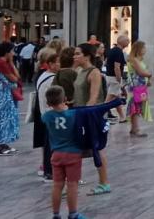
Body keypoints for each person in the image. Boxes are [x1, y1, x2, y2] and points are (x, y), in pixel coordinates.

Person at [72, 43, 112, 195]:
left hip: (90, 116)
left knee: (97, 148)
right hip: (79, 113)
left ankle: (104, 182)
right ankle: (72, 182)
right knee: (78, 149)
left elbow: (94, 97)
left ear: (87, 55)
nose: (74, 56)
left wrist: (85, 115)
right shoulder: (80, 70)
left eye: (77, 54)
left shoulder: (94, 72)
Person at [42, 86, 88, 219]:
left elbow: (45, 119)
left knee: (57, 185)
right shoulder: (73, 115)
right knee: (72, 184)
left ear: (48, 103)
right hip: (73, 153)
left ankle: (56, 214)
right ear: (65, 99)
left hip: (56, 154)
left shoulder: (47, 116)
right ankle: (73, 213)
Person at [33, 49, 61, 181]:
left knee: (48, 143)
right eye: (57, 63)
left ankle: (48, 169)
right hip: (50, 114)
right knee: (51, 144)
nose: (60, 65)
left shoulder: (43, 75)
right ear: (50, 64)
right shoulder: (50, 79)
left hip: (44, 114)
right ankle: (49, 171)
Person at [0, 41, 21, 156]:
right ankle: (0, 144)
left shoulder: (6, 62)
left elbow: (17, 76)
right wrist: (12, 66)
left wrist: (12, 63)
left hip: (8, 93)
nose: (13, 53)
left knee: (8, 117)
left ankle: (4, 143)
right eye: (12, 51)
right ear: (7, 52)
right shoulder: (1, 63)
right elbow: (14, 78)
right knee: (3, 117)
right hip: (4, 94)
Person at [126, 40, 153, 137]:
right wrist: (150, 74)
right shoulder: (134, 60)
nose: (145, 50)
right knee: (136, 107)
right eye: (144, 48)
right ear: (139, 49)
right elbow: (141, 72)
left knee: (136, 106)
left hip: (139, 86)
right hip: (136, 87)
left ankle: (134, 128)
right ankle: (136, 128)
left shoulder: (137, 59)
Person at [105, 35, 129, 123]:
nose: (128, 42)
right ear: (122, 42)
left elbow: (106, 62)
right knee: (109, 99)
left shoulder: (112, 50)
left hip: (109, 76)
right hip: (114, 77)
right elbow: (117, 67)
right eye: (127, 41)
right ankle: (101, 115)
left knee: (117, 98)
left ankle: (122, 117)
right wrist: (119, 79)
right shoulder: (119, 52)